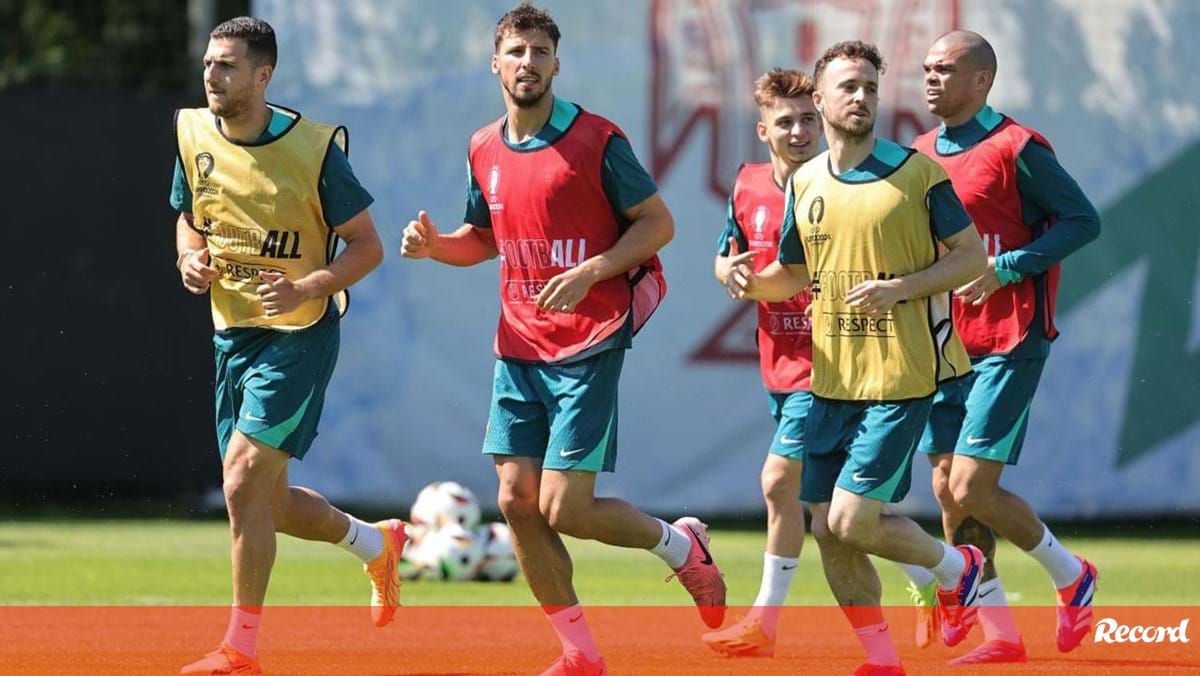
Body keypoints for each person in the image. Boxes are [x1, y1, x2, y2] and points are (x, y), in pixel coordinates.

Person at [399, 5, 724, 675]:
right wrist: (435, 248)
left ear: (556, 63)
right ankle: (580, 654)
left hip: (588, 338)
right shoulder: (482, 147)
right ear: (496, 63)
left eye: (540, 51)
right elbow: (482, 241)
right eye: (515, 51)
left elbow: (657, 224)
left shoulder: (597, 140)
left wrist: (594, 270)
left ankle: (679, 545)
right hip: (517, 346)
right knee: (518, 503)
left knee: (564, 508)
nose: (527, 62)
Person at [728, 40, 989, 676]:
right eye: (847, 86)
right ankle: (883, 659)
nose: (861, 96)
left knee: (849, 518)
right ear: (820, 100)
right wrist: (751, 284)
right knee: (826, 527)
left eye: (870, 86)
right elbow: (792, 272)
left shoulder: (917, 175)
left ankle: (960, 568)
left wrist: (900, 287)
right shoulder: (807, 182)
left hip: (902, 376)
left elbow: (971, 258)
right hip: (832, 379)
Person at [172, 17, 403, 675]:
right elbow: (188, 222)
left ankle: (239, 649)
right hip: (232, 334)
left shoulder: (315, 148)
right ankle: (375, 544)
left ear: (263, 75)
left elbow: (367, 245)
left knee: (241, 477)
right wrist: (189, 259)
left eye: (227, 65)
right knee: (266, 503)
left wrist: (309, 283)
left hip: (298, 333)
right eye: (210, 63)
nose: (212, 75)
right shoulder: (192, 134)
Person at [895, 30, 1101, 664]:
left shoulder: (1019, 148)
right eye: (926, 69)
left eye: (946, 69)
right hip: (942, 341)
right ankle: (1001, 634)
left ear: (981, 80)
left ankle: (1072, 575)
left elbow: (1082, 220)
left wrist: (1009, 265)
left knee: (973, 486)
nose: (930, 79)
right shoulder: (918, 154)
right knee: (945, 487)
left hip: (1010, 334)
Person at [700, 68, 821, 658]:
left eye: (808, 120)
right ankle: (948, 572)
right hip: (780, 360)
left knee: (778, 483)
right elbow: (726, 255)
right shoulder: (747, 183)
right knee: (831, 514)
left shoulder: (840, 185)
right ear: (764, 130)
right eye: (787, 122)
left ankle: (763, 625)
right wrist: (727, 271)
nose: (800, 131)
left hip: (836, 366)